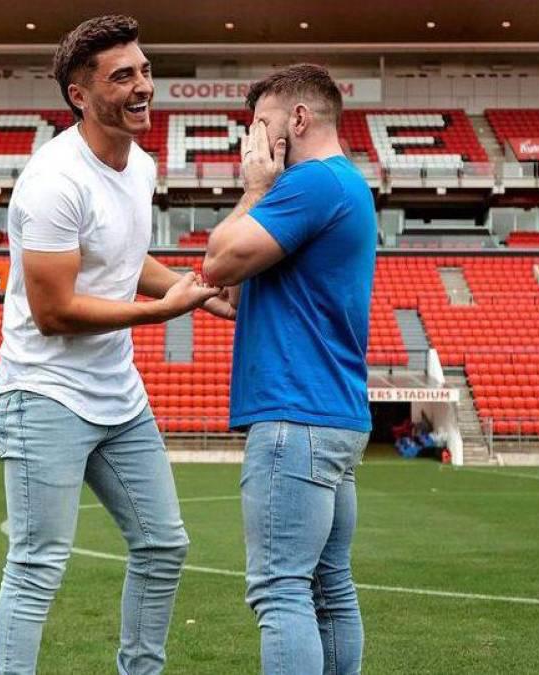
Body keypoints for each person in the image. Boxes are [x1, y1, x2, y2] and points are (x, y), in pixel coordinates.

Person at [0, 15, 232, 675]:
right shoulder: (54, 182)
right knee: (37, 565)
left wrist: (196, 289)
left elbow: (123, 255)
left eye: (144, 70)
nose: (143, 85)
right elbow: (53, 312)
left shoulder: (140, 165)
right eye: (122, 76)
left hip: (118, 395)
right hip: (44, 394)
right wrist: (161, 311)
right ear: (80, 95)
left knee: (163, 545)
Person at [202, 64, 377, 675]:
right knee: (330, 588)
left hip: (294, 416)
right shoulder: (346, 183)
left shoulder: (311, 183)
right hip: (332, 414)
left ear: (297, 120)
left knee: (280, 590)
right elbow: (239, 289)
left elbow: (219, 261)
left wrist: (255, 188)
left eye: (261, 123)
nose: (253, 140)